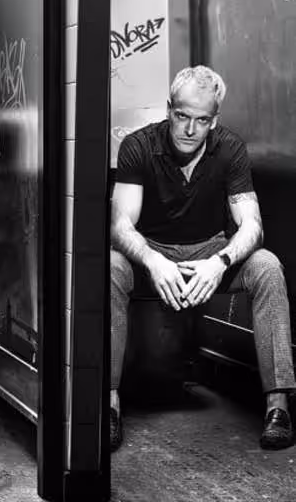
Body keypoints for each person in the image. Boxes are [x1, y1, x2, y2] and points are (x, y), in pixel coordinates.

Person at [109, 65, 294, 451]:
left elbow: (252, 226)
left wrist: (220, 262)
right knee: (110, 267)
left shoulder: (229, 148)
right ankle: (107, 403)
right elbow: (121, 225)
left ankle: (278, 407)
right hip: (152, 253)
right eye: (182, 116)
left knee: (267, 267)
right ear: (168, 109)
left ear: (215, 120)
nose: (191, 129)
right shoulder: (137, 146)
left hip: (209, 254)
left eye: (202, 120)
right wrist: (152, 261)